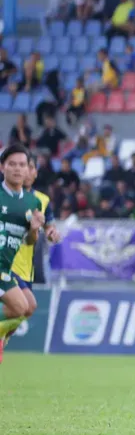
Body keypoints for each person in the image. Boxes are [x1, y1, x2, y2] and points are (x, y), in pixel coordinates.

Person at [5, 163, 59, 354]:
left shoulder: (41, 200)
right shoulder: (7, 196)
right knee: (28, 305)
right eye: (20, 166)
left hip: (27, 267)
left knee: (25, 310)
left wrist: (51, 232)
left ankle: (3, 342)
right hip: (8, 263)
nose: (24, 171)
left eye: (29, 167)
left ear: (35, 173)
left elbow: (49, 226)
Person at [0, 146, 46, 363]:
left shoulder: (32, 203)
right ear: (3, 167)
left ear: (29, 170)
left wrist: (35, 229)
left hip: (5, 269)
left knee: (22, 307)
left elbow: (29, 241)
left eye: (22, 165)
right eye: (12, 164)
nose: (18, 169)